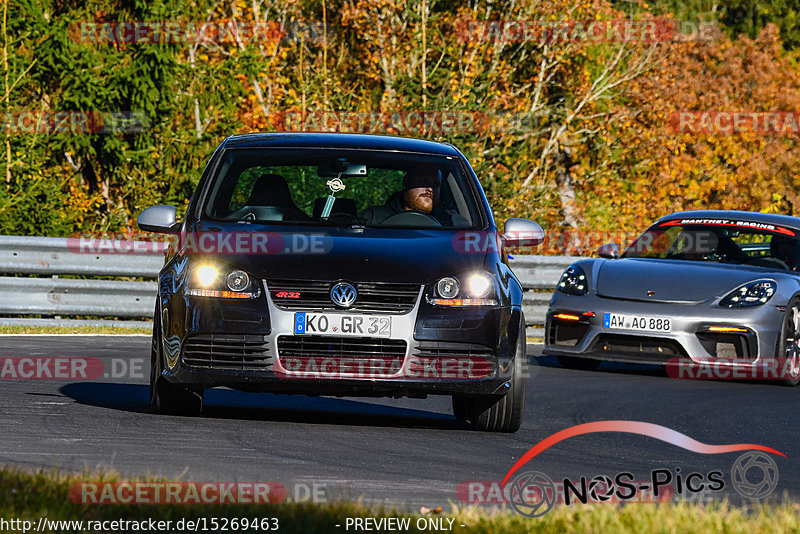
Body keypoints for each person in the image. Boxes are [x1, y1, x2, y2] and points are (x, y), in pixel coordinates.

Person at [359, 168, 469, 227]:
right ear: (406, 183)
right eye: (423, 182)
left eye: (435, 184)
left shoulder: (454, 223)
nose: (430, 188)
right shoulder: (372, 217)